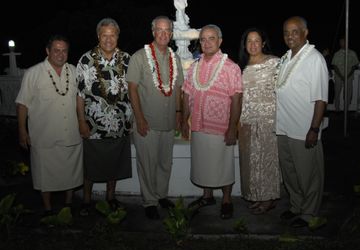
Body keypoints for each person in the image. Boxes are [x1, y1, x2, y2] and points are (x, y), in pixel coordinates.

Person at [15, 34, 83, 216]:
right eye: (56, 50)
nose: (60, 54)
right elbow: (22, 104)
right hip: (44, 135)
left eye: (64, 50)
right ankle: (47, 208)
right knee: (45, 175)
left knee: (70, 171)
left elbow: (80, 100)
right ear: (47, 51)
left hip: (70, 133)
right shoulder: (33, 73)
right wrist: (22, 131)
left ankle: (68, 204)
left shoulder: (75, 71)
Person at [182, 24, 242, 219]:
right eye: (203, 39)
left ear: (220, 41)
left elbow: (236, 99)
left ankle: (226, 199)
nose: (206, 43)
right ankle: (207, 196)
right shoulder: (194, 67)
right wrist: (184, 121)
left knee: (223, 164)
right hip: (198, 124)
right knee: (203, 162)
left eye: (211, 38)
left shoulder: (231, 67)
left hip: (221, 127)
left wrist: (232, 127)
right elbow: (187, 94)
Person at [126, 16, 184, 220]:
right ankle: (149, 201)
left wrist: (178, 113)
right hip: (147, 122)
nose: (163, 34)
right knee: (147, 163)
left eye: (167, 30)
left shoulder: (174, 58)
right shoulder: (139, 57)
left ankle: (161, 196)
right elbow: (132, 89)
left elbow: (177, 89)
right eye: (159, 30)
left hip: (168, 120)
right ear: (152, 32)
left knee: (164, 163)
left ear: (171, 33)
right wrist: (139, 118)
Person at [275, 16, 328, 228]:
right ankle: (296, 205)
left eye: (295, 31)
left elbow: (321, 98)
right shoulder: (286, 57)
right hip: (283, 127)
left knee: (309, 174)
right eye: (286, 32)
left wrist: (314, 128)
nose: (290, 36)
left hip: (304, 129)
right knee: (290, 172)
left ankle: (309, 212)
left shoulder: (314, 59)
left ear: (305, 33)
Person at [76, 18, 132, 216]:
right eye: (104, 35)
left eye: (113, 34)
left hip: (121, 123)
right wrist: (82, 121)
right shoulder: (86, 60)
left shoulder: (126, 59)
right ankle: (87, 200)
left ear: (118, 36)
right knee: (91, 163)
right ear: (98, 36)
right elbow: (80, 95)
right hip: (94, 125)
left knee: (114, 163)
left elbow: (134, 91)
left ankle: (111, 197)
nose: (109, 39)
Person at [237, 28, 281, 215]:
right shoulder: (241, 66)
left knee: (268, 160)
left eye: (257, 40)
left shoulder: (274, 63)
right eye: (249, 41)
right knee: (252, 161)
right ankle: (257, 196)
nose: (253, 44)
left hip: (268, 119)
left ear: (263, 43)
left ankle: (269, 198)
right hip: (247, 119)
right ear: (245, 44)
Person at [331, 37, 359, 111]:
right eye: (341, 42)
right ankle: (337, 109)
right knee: (337, 93)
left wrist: (347, 76)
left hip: (349, 77)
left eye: (343, 42)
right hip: (338, 77)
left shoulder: (353, 53)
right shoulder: (337, 54)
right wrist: (341, 76)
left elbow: (354, 66)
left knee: (348, 94)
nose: (342, 43)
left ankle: (346, 109)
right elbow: (335, 66)